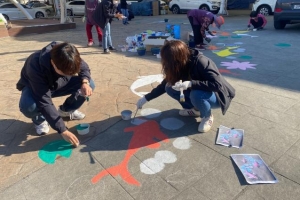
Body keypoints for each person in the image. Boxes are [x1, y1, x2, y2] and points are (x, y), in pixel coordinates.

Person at [136, 40, 235, 133]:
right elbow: (164, 85)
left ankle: (207, 116)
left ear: (176, 58)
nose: (165, 63)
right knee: (169, 87)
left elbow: (217, 85)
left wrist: (191, 84)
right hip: (200, 91)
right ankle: (195, 110)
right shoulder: (177, 64)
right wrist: (146, 98)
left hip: (217, 95)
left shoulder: (201, 62)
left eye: (167, 60)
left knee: (196, 94)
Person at [16, 42, 95, 147]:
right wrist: (62, 130)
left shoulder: (70, 54)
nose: (69, 74)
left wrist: (85, 82)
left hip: (58, 84)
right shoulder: (35, 65)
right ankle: (40, 119)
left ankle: (66, 110)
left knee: (90, 84)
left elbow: (84, 68)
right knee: (29, 106)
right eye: (65, 72)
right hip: (36, 87)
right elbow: (44, 101)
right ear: (53, 63)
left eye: (71, 72)